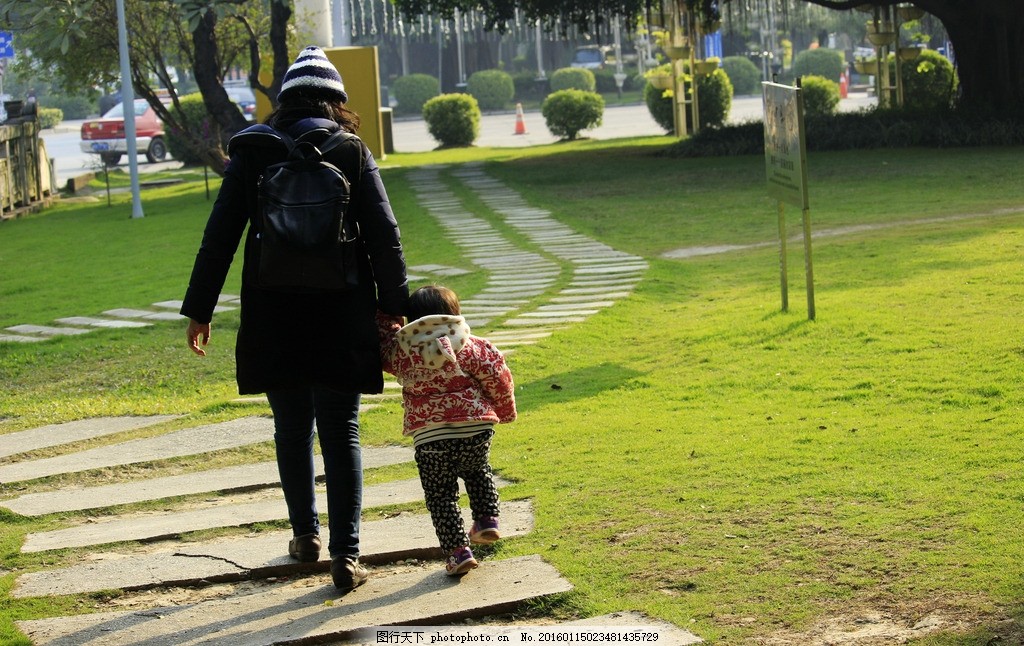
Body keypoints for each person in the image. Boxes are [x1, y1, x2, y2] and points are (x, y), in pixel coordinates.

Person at [180, 46, 409, 593]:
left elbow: (221, 236)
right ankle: (347, 553)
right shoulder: (350, 149)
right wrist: (395, 307)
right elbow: (384, 233)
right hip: (342, 307)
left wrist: (200, 310)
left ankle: (305, 536)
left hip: (272, 308)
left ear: (282, 102)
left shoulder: (252, 151)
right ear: (336, 100)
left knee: (291, 427)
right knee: (341, 428)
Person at [377, 285, 516, 576]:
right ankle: (487, 519)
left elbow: (383, 344)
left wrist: (386, 314)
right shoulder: (474, 345)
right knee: (478, 471)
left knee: (441, 496)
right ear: (455, 312)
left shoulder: (401, 352)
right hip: (475, 428)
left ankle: (458, 552)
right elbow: (498, 377)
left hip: (430, 436)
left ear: (410, 318)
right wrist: (504, 412)